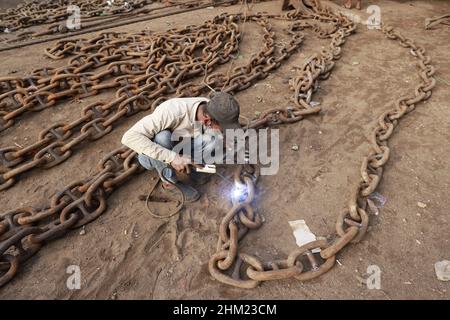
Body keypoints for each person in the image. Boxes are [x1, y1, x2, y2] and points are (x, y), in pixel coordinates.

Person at [121, 92, 241, 202]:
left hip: (182, 142)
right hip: (154, 153)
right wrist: (173, 157)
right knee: (163, 137)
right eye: (223, 127)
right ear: (207, 120)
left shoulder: (209, 106)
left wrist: (222, 136)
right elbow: (128, 137)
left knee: (214, 138)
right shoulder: (172, 112)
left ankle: (193, 168)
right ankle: (169, 183)